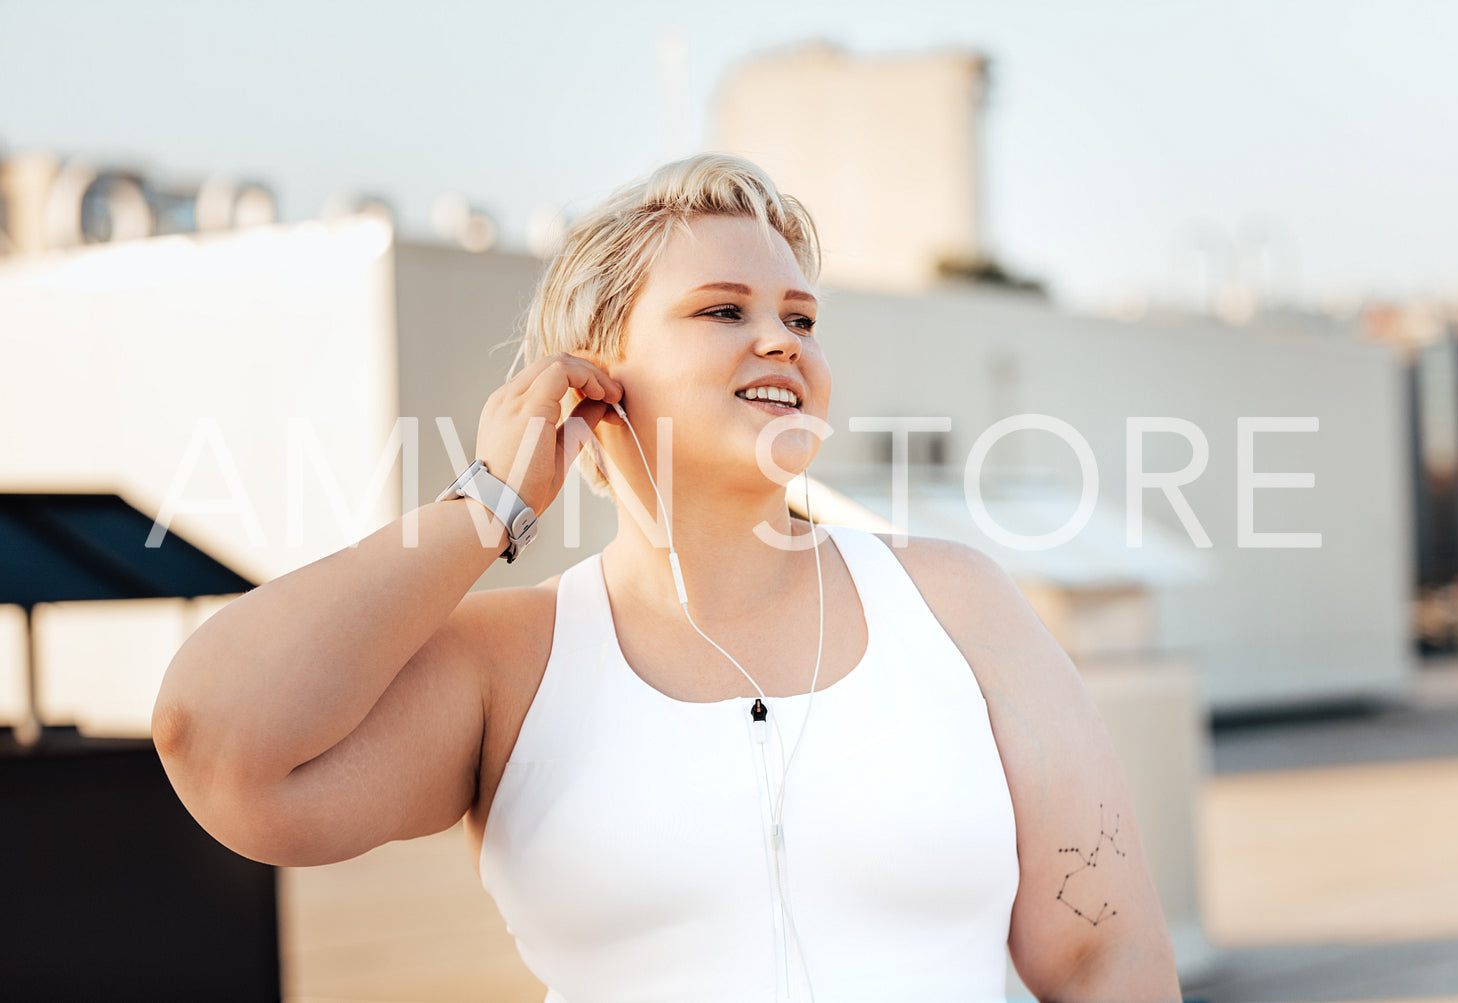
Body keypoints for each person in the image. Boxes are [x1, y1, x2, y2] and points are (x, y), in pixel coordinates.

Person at [154, 153, 1181, 1002]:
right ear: (590, 372)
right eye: (722, 309)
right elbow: (219, 744)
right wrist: (485, 506)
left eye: (802, 317)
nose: (780, 337)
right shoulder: (509, 666)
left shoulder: (953, 603)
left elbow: (1105, 957)